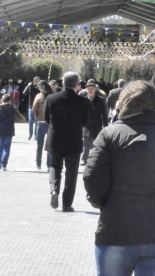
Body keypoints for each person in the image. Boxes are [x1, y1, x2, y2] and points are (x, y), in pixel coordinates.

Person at [83, 80, 155, 276]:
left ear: (123, 102)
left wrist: (102, 202)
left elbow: (92, 179)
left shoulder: (109, 134)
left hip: (116, 229)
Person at [44, 72, 91, 212]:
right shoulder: (84, 101)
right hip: (74, 140)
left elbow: (47, 118)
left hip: (55, 138)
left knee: (54, 166)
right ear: (77, 85)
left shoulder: (51, 98)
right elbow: (86, 121)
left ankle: (54, 190)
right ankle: (67, 204)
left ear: (62, 82)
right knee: (72, 172)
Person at [0, 94, 26, 171]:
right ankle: (4, 165)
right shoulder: (12, 109)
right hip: (9, 130)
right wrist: (24, 119)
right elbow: (21, 118)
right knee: (6, 147)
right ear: (10, 101)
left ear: (1, 100)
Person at [81, 79, 109, 165]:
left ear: (95, 89)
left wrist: (105, 125)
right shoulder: (83, 100)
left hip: (97, 124)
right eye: (89, 89)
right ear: (86, 90)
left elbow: (104, 113)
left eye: (92, 88)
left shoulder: (100, 99)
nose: (90, 90)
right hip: (86, 125)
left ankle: (94, 159)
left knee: (96, 144)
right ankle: (84, 159)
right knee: (86, 144)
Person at [32, 80, 53, 170]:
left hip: (41, 123)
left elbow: (34, 109)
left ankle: (38, 163)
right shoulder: (52, 96)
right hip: (51, 123)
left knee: (39, 146)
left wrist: (38, 117)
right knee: (50, 145)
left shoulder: (38, 96)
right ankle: (49, 164)